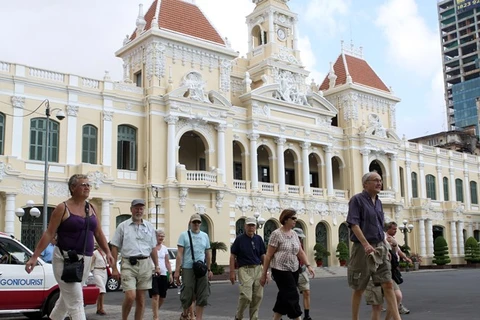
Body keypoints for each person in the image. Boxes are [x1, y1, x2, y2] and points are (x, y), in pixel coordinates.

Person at [25, 173, 114, 320]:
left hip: (85, 260)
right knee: (76, 302)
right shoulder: (62, 208)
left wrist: (108, 252)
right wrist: (34, 256)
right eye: (83, 185)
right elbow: (49, 233)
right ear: (73, 187)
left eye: (88, 185)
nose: (87, 187)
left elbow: (97, 232)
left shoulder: (91, 208)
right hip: (65, 260)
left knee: (64, 303)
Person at [346, 171, 401, 320]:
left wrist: (385, 246)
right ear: (365, 184)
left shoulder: (378, 202)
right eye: (375, 180)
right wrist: (365, 244)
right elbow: (353, 224)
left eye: (380, 180)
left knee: (388, 283)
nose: (379, 183)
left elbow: (379, 226)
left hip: (379, 247)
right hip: (362, 248)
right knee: (359, 287)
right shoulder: (357, 200)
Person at [259, 209, 315, 320]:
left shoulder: (294, 234)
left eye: (296, 218)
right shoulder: (276, 234)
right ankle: (297, 318)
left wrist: (308, 265)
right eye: (293, 218)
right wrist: (264, 273)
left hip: (294, 269)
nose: (295, 220)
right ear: (285, 219)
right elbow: (268, 255)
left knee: (284, 296)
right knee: (292, 294)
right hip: (280, 269)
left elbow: (300, 251)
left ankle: (275, 318)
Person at [110, 199, 159, 320]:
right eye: (136, 208)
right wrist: (114, 268)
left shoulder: (149, 227)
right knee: (131, 296)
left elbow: (152, 248)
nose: (139, 211)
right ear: (131, 209)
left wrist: (157, 265)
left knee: (141, 300)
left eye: (141, 208)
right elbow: (114, 246)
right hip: (128, 264)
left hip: (145, 264)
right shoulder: (123, 226)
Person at [174, 213, 213, 320]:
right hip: (188, 268)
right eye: (194, 222)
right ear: (190, 223)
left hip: (202, 268)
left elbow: (208, 253)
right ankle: (185, 314)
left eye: (198, 222)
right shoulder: (184, 235)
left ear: (200, 224)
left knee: (202, 295)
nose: (196, 224)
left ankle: (198, 318)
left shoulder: (205, 236)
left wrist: (209, 269)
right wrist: (177, 271)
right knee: (187, 294)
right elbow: (179, 254)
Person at [229, 216, 267, 320]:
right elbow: (233, 255)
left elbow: (263, 255)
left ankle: (254, 318)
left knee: (258, 296)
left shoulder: (258, 239)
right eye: (249, 225)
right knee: (246, 296)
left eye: (253, 225)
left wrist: (266, 272)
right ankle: (239, 315)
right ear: (245, 226)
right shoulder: (239, 239)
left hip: (258, 268)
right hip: (244, 269)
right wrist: (232, 272)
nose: (251, 227)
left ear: (255, 227)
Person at [385, 222, 411, 315]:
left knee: (393, 292)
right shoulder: (384, 238)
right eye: (394, 229)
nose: (395, 231)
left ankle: (395, 307)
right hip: (386, 268)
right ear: (388, 229)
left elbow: (398, 251)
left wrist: (405, 258)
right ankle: (396, 308)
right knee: (396, 294)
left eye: (396, 229)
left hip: (393, 268)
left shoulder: (393, 239)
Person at [149, 229, 173, 320]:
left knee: (162, 296)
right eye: (159, 236)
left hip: (163, 274)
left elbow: (167, 261)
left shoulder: (164, 248)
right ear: (155, 237)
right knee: (155, 295)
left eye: (163, 236)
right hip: (153, 273)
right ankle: (156, 317)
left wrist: (170, 273)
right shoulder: (151, 247)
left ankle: (156, 312)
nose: (161, 238)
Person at [293, 227, 312, 320]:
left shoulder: (300, 244)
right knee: (288, 295)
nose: (299, 239)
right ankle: (278, 315)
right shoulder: (288, 244)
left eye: (300, 238)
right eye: (298, 237)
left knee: (307, 292)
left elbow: (302, 255)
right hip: (290, 272)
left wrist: (308, 266)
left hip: (301, 271)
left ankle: (307, 316)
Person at [91, 244, 109, 315]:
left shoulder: (106, 253)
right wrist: (90, 271)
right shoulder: (95, 253)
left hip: (104, 272)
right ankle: (101, 308)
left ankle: (98, 308)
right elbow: (90, 263)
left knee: (100, 291)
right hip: (97, 271)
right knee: (102, 290)